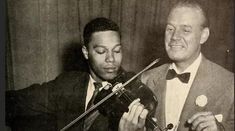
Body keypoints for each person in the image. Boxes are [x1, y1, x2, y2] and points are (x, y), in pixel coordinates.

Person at [6, 17, 156, 131]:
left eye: (117, 50)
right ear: (86, 52)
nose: (111, 59)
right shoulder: (67, 84)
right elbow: (15, 102)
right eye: (101, 51)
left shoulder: (134, 91)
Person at [119, 1, 234, 131]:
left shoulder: (230, 85)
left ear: (203, 35)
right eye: (170, 29)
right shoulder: (146, 79)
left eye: (185, 30)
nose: (174, 37)